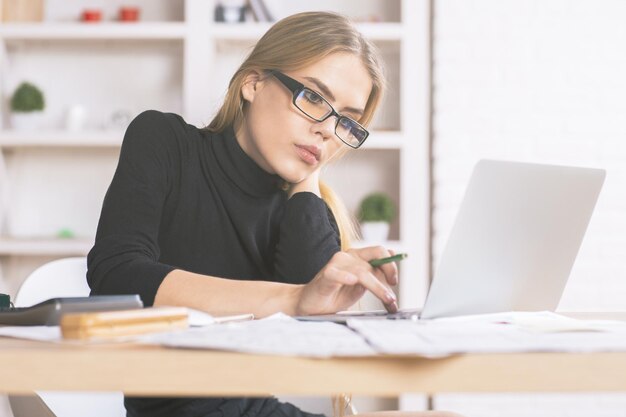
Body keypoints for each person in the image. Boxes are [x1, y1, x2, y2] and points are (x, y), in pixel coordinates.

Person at [87, 11, 463, 417]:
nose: (325, 129)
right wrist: (295, 298)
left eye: (346, 122)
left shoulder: (302, 210)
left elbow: (307, 332)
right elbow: (116, 278)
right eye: (314, 98)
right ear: (253, 82)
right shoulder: (165, 141)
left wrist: (308, 177)